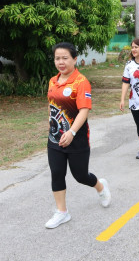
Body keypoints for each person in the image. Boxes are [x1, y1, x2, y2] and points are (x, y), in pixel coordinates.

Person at [46, 42, 111, 229]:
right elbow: (51, 106)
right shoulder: (52, 81)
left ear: (75, 59)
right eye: (57, 58)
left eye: (65, 58)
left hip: (77, 137)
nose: (61, 62)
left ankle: (100, 186)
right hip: (55, 137)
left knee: (80, 175)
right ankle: (62, 212)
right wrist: (51, 127)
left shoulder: (81, 82)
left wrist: (72, 132)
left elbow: (84, 111)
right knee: (57, 173)